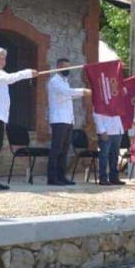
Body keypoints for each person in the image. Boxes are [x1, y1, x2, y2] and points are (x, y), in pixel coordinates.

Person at [0, 47, 37, 191]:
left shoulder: (0, 72)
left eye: (4, 58)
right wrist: (27, 73)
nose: (2, 61)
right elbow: (8, 79)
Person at [47, 58, 91, 186]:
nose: (67, 70)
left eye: (69, 67)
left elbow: (68, 96)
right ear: (58, 67)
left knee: (65, 150)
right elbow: (67, 93)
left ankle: (61, 176)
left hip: (67, 120)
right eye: (65, 67)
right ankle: (52, 178)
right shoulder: (55, 81)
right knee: (56, 149)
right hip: (58, 120)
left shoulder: (65, 81)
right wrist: (83, 91)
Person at [93, 111, 125, 186]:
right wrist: (102, 131)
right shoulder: (100, 100)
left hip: (117, 131)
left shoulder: (116, 100)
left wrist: (120, 129)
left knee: (115, 156)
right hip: (106, 131)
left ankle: (114, 177)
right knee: (104, 156)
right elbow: (96, 115)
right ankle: (103, 178)